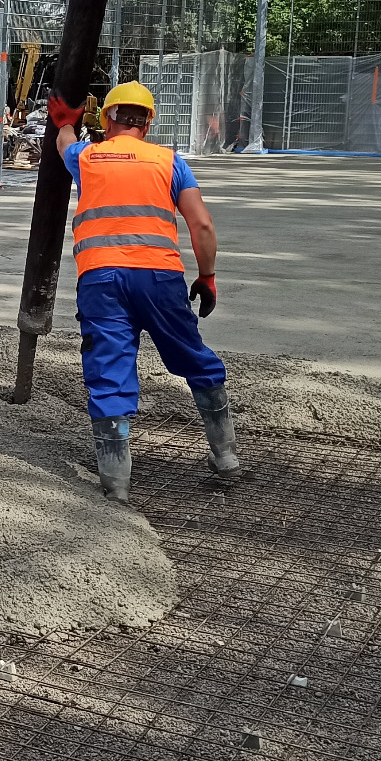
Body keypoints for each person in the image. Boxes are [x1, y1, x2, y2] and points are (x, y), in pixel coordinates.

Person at [50, 79, 238, 501]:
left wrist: (65, 122)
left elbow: (64, 145)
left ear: (107, 119)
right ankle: (225, 456)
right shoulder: (170, 162)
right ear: (148, 124)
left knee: (109, 372)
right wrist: (206, 276)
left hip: (100, 280)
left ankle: (116, 484)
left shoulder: (88, 155)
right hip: (159, 278)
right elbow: (202, 225)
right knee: (194, 357)